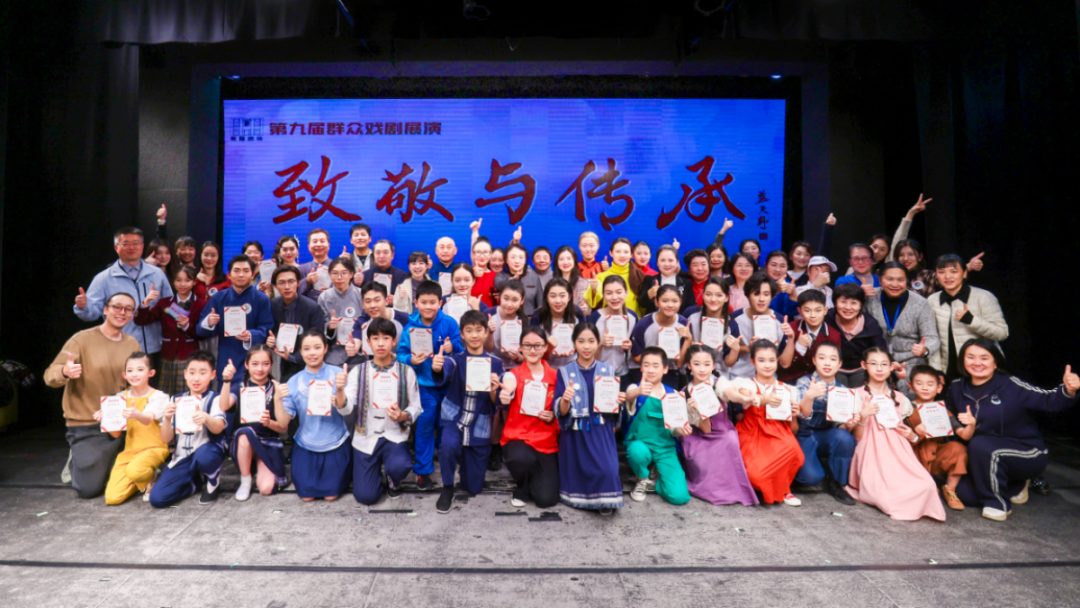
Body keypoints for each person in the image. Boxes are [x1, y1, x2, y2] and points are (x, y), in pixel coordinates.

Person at [947, 339, 1079, 521]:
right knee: (965, 495)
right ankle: (1016, 484)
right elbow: (948, 414)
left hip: (1025, 451)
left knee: (980, 444)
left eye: (984, 358)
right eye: (970, 357)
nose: (977, 362)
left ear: (996, 362)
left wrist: (1068, 390)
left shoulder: (1011, 385)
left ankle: (997, 503)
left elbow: (1048, 400)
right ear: (963, 360)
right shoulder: (956, 387)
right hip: (982, 455)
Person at [46, 293, 141, 498]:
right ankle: (76, 458)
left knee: (143, 472)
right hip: (87, 423)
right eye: (117, 307)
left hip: (119, 421)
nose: (122, 312)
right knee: (88, 489)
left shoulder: (132, 344)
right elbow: (50, 376)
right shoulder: (81, 340)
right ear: (105, 310)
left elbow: (135, 383)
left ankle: (108, 461)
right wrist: (64, 371)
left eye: (128, 309)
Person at [846, 347, 946, 521]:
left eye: (884, 364)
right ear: (864, 365)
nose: (879, 368)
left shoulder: (901, 398)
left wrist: (913, 435)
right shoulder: (857, 395)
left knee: (927, 484)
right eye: (873, 364)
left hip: (899, 451)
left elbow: (911, 436)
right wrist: (863, 415)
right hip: (871, 450)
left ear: (891, 366)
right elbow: (855, 437)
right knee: (886, 494)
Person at [344, 318, 423, 506]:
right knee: (366, 497)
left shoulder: (406, 371)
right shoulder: (358, 371)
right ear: (368, 342)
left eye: (386, 338)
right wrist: (339, 392)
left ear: (394, 341)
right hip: (365, 437)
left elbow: (416, 406)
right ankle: (373, 475)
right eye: (375, 338)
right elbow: (346, 407)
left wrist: (403, 415)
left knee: (401, 466)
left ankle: (393, 477)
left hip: (394, 434)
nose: (380, 343)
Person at [431, 310, 504, 513]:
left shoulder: (496, 364)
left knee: (473, 487)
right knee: (448, 446)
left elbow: (497, 402)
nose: (474, 335)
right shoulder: (456, 360)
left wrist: (493, 389)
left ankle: (466, 463)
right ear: (462, 334)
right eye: (469, 330)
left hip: (479, 423)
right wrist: (437, 366)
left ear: (486, 333)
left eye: (479, 330)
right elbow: (446, 366)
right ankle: (447, 487)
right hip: (454, 417)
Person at [396, 280, 463, 490]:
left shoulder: (449, 323)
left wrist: (453, 347)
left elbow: (461, 349)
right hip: (423, 385)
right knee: (425, 425)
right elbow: (400, 354)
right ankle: (423, 470)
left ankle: (446, 461)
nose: (428, 307)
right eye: (423, 302)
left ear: (440, 303)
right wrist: (410, 360)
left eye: (432, 302)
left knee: (446, 425)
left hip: (447, 384)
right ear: (416, 303)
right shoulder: (410, 328)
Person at [73, 227, 174, 362]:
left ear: (142, 246)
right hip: (121, 349)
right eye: (125, 244)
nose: (131, 247)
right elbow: (91, 314)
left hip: (155, 348)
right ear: (116, 248)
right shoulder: (103, 278)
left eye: (135, 243)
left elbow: (169, 307)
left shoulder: (157, 274)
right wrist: (83, 307)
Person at [555, 322, 625, 515]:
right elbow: (561, 411)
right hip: (575, 432)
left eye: (591, 341)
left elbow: (613, 410)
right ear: (574, 343)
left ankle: (605, 500)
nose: (586, 346)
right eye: (581, 341)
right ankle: (581, 498)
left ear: (598, 342)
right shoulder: (564, 372)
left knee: (608, 470)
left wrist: (618, 402)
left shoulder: (608, 370)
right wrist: (566, 399)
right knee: (581, 468)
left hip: (600, 429)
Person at [725, 340, 805, 506]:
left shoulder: (788, 390)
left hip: (778, 430)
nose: (767, 365)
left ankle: (785, 489)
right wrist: (765, 399)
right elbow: (748, 397)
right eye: (761, 360)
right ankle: (767, 486)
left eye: (771, 360)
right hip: (752, 431)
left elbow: (794, 430)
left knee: (796, 453)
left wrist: (794, 416)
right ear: (753, 361)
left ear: (777, 360)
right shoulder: (746, 384)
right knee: (756, 475)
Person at [148, 350, 229, 507]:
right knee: (157, 498)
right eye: (192, 373)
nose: (196, 378)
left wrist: (206, 418)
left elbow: (219, 428)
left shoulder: (215, 398)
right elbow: (165, 438)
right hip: (182, 456)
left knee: (204, 456)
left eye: (202, 373)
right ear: (185, 374)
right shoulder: (176, 399)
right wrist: (167, 418)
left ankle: (213, 478)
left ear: (212, 375)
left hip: (206, 451)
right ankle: (196, 483)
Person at [680, 346, 758, 506]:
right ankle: (708, 488)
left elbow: (730, 393)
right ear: (689, 366)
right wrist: (697, 409)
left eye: (707, 364)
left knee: (730, 439)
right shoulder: (685, 393)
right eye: (697, 364)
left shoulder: (718, 383)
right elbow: (705, 429)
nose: (702, 369)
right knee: (699, 457)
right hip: (698, 434)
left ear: (713, 366)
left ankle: (733, 489)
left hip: (722, 430)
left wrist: (743, 399)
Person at [280, 330, 352, 501]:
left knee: (331, 496)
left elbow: (347, 409)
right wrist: (277, 399)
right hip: (305, 443)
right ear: (300, 351)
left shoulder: (339, 375)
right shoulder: (294, 381)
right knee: (307, 497)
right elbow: (284, 422)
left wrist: (340, 389)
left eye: (317, 347)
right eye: (306, 349)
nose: (312, 353)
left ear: (325, 348)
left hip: (336, 442)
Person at [96, 352, 171, 505]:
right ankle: (143, 480)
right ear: (124, 375)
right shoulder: (119, 398)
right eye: (130, 370)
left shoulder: (159, 397)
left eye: (140, 370)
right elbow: (116, 434)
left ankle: (153, 476)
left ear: (151, 373)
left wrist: (137, 414)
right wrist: (106, 419)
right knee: (113, 498)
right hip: (130, 452)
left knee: (135, 470)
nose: (134, 374)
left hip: (154, 448)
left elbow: (148, 419)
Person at [498, 326, 560, 508]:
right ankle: (522, 488)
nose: (532, 350)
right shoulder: (513, 374)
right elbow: (509, 385)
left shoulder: (557, 376)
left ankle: (535, 480)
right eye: (527, 345)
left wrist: (554, 414)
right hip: (518, 437)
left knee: (546, 500)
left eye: (537, 345)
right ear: (521, 348)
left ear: (545, 348)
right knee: (521, 459)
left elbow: (562, 407)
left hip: (546, 440)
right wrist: (506, 393)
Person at [791, 342, 858, 505]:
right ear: (814, 360)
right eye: (822, 358)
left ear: (839, 364)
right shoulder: (805, 382)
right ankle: (799, 473)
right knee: (811, 478)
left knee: (845, 438)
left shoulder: (843, 390)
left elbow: (841, 426)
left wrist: (851, 423)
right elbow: (802, 415)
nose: (827, 363)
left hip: (825, 434)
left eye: (833, 359)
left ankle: (835, 482)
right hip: (803, 434)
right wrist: (810, 396)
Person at [624, 347, 691, 505]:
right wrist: (639, 391)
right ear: (641, 368)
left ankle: (657, 478)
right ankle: (642, 478)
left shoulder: (674, 395)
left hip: (665, 448)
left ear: (665, 369)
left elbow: (675, 429)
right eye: (646, 365)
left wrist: (680, 430)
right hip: (640, 443)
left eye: (656, 365)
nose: (651, 370)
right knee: (637, 452)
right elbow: (627, 397)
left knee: (679, 496)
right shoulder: (634, 389)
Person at [928, 254, 1009, 383]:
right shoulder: (932, 300)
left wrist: (971, 320)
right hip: (948, 370)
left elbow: (1002, 333)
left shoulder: (984, 297)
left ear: (965, 273)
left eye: (953, 271)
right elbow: (932, 337)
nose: (947, 276)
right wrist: (935, 369)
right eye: (941, 272)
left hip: (980, 367)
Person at [196, 255, 275, 387]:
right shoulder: (218, 298)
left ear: (252, 274)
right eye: (236, 270)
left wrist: (251, 335)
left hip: (255, 363)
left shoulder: (261, 298)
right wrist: (208, 323)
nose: (241, 274)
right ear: (229, 274)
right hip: (226, 358)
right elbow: (200, 330)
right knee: (225, 398)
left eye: (246, 270)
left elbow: (267, 328)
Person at [864, 262, 940, 389]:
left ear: (907, 281)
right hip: (877, 360)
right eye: (889, 279)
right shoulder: (869, 298)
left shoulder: (921, 303)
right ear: (880, 280)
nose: (895, 284)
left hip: (911, 361)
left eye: (900, 280)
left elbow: (932, 337)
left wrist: (925, 349)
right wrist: (859, 294)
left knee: (909, 394)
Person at [905, 365, 969, 511]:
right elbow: (900, 441)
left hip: (937, 458)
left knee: (958, 448)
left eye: (930, 384)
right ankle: (925, 486)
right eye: (919, 383)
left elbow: (964, 435)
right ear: (911, 386)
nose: (925, 388)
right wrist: (917, 435)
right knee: (919, 448)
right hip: (915, 457)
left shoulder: (942, 410)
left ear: (939, 388)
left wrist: (971, 424)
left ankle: (949, 489)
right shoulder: (906, 410)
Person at [134, 265, 205, 396]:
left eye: (187, 280)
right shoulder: (164, 303)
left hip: (189, 355)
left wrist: (187, 326)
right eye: (178, 280)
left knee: (187, 395)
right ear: (173, 282)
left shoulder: (201, 304)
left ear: (194, 282)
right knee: (165, 394)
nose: (182, 284)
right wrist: (146, 302)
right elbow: (141, 320)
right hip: (167, 355)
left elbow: (203, 333)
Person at [231, 345, 290, 501]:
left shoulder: (277, 388)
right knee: (245, 434)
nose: (260, 368)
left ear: (271, 365)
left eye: (265, 364)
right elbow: (224, 405)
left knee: (266, 488)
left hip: (268, 443)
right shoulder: (240, 387)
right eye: (255, 364)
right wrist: (226, 381)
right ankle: (245, 480)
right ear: (246, 364)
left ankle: (259, 463)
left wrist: (269, 422)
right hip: (245, 444)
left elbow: (283, 427)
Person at [265, 265, 325, 382]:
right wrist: (270, 340)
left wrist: (294, 357)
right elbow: (270, 329)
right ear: (275, 286)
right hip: (281, 361)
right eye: (282, 282)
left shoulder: (312, 308)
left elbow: (319, 339)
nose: (287, 287)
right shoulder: (272, 305)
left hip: (307, 362)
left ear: (298, 283)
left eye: (291, 281)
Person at [825, 283, 889, 388]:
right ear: (835, 303)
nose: (848, 307)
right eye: (843, 302)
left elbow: (880, 350)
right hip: (832, 367)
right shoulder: (826, 319)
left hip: (861, 369)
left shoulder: (870, 324)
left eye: (854, 303)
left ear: (861, 305)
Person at [729, 274, 791, 380]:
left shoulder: (780, 320)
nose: (761, 299)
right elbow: (725, 351)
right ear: (748, 295)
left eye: (766, 294)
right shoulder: (734, 318)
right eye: (756, 294)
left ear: (772, 296)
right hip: (738, 378)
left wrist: (791, 339)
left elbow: (782, 357)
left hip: (768, 379)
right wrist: (747, 348)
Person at [630, 285, 691, 387]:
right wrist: (654, 353)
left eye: (675, 301)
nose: (670, 305)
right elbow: (635, 357)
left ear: (680, 302)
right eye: (665, 301)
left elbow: (679, 363)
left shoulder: (684, 324)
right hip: (645, 372)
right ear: (656, 302)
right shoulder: (644, 324)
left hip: (670, 372)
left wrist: (688, 339)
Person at [778, 290, 841, 383]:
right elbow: (784, 364)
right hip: (789, 379)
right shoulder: (791, 328)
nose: (813, 315)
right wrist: (798, 346)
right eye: (807, 311)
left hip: (817, 381)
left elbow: (833, 368)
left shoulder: (833, 335)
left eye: (818, 310)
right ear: (800, 311)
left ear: (825, 310)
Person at [587, 275, 638, 385]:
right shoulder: (594, 318)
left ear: (626, 293)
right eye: (609, 293)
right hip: (598, 374)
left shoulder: (632, 317)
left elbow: (636, 349)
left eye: (619, 292)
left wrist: (630, 346)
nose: (614, 297)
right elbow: (586, 353)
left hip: (624, 374)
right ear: (603, 295)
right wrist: (600, 344)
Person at [685, 277, 740, 378]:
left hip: (719, 376)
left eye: (719, 295)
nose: (713, 299)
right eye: (708, 294)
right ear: (703, 295)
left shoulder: (731, 324)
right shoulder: (691, 314)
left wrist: (735, 350)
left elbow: (729, 363)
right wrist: (690, 344)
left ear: (726, 297)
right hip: (692, 373)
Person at [318, 256, 365, 368]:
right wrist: (329, 326)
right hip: (334, 355)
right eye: (335, 273)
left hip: (359, 353)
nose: (339, 277)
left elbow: (368, 322)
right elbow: (320, 326)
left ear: (351, 274)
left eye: (344, 273)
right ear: (329, 275)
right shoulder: (324, 297)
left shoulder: (362, 294)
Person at [584, 238, 645, 316]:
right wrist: (594, 290)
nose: (622, 255)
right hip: (609, 322)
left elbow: (644, 306)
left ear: (631, 255)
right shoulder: (601, 277)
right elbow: (591, 301)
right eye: (618, 251)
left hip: (634, 322)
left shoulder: (639, 275)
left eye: (626, 252)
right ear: (611, 253)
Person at [532, 278, 583, 370]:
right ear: (546, 298)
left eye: (562, 296)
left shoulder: (577, 314)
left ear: (569, 297)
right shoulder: (538, 315)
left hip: (573, 366)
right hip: (546, 368)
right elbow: (534, 353)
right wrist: (548, 348)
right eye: (553, 296)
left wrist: (576, 346)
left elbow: (584, 344)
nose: (558, 301)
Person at [638, 245, 695, 314]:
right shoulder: (649, 280)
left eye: (670, 260)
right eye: (662, 260)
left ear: (677, 262)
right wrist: (650, 293)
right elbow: (642, 304)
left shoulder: (686, 283)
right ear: (657, 263)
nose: (667, 264)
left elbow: (690, 309)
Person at [494, 242, 544, 316]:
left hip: (530, 320)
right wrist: (509, 281)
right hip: (507, 319)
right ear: (506, 259)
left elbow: (541, 303)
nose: (517, 261)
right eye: (513, 257)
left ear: (525, 260)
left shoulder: (534, 277)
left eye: (521, 257)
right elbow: (498, 285)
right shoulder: (501, 276)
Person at [552, 246, 591, 315]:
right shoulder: (551, 283)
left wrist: (585, 308)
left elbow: (588, 310)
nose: (565, 262)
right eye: (561, 259)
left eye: (569, 259)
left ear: (574, 261)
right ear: (556, 262)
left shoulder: (583, 283)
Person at [762, 251, 800, 319]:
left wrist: (793, 297)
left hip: (782, 324)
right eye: (773, 265)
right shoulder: (757, 283)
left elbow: (790, 312)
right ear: (765, 265)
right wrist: (775, 289)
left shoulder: (790, 285)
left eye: (782, 266)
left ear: (787, 267)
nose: (777, 269)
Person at [298, 228, 333, 302]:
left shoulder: (337, 267)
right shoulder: (301, 269)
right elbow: (293, 292)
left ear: (328, 244)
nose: (318, 244)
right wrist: (307, 282)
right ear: (309, 246)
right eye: (315, 241)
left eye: (322, 241)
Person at [468, 228, 497, 306]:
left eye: (485, 252)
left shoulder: (496, 276)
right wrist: (472, 276)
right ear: (473, 254)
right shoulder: (467, 274)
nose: (482, 256)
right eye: (478, 252)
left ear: (491, 254)